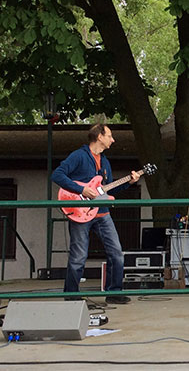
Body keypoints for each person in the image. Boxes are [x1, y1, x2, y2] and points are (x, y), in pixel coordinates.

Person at [52, 124, 140, 304]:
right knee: (78, 257)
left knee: (116, 254)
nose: (112, 140)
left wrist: (129, 182)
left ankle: (114, 293)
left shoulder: (105, 161)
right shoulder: (78, 156)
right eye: (110, 136)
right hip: (80, 213)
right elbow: (58, 175)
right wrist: (81, 189)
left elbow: (106, 189)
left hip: (102, 213)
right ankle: (71, 296)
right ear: (99, 136)